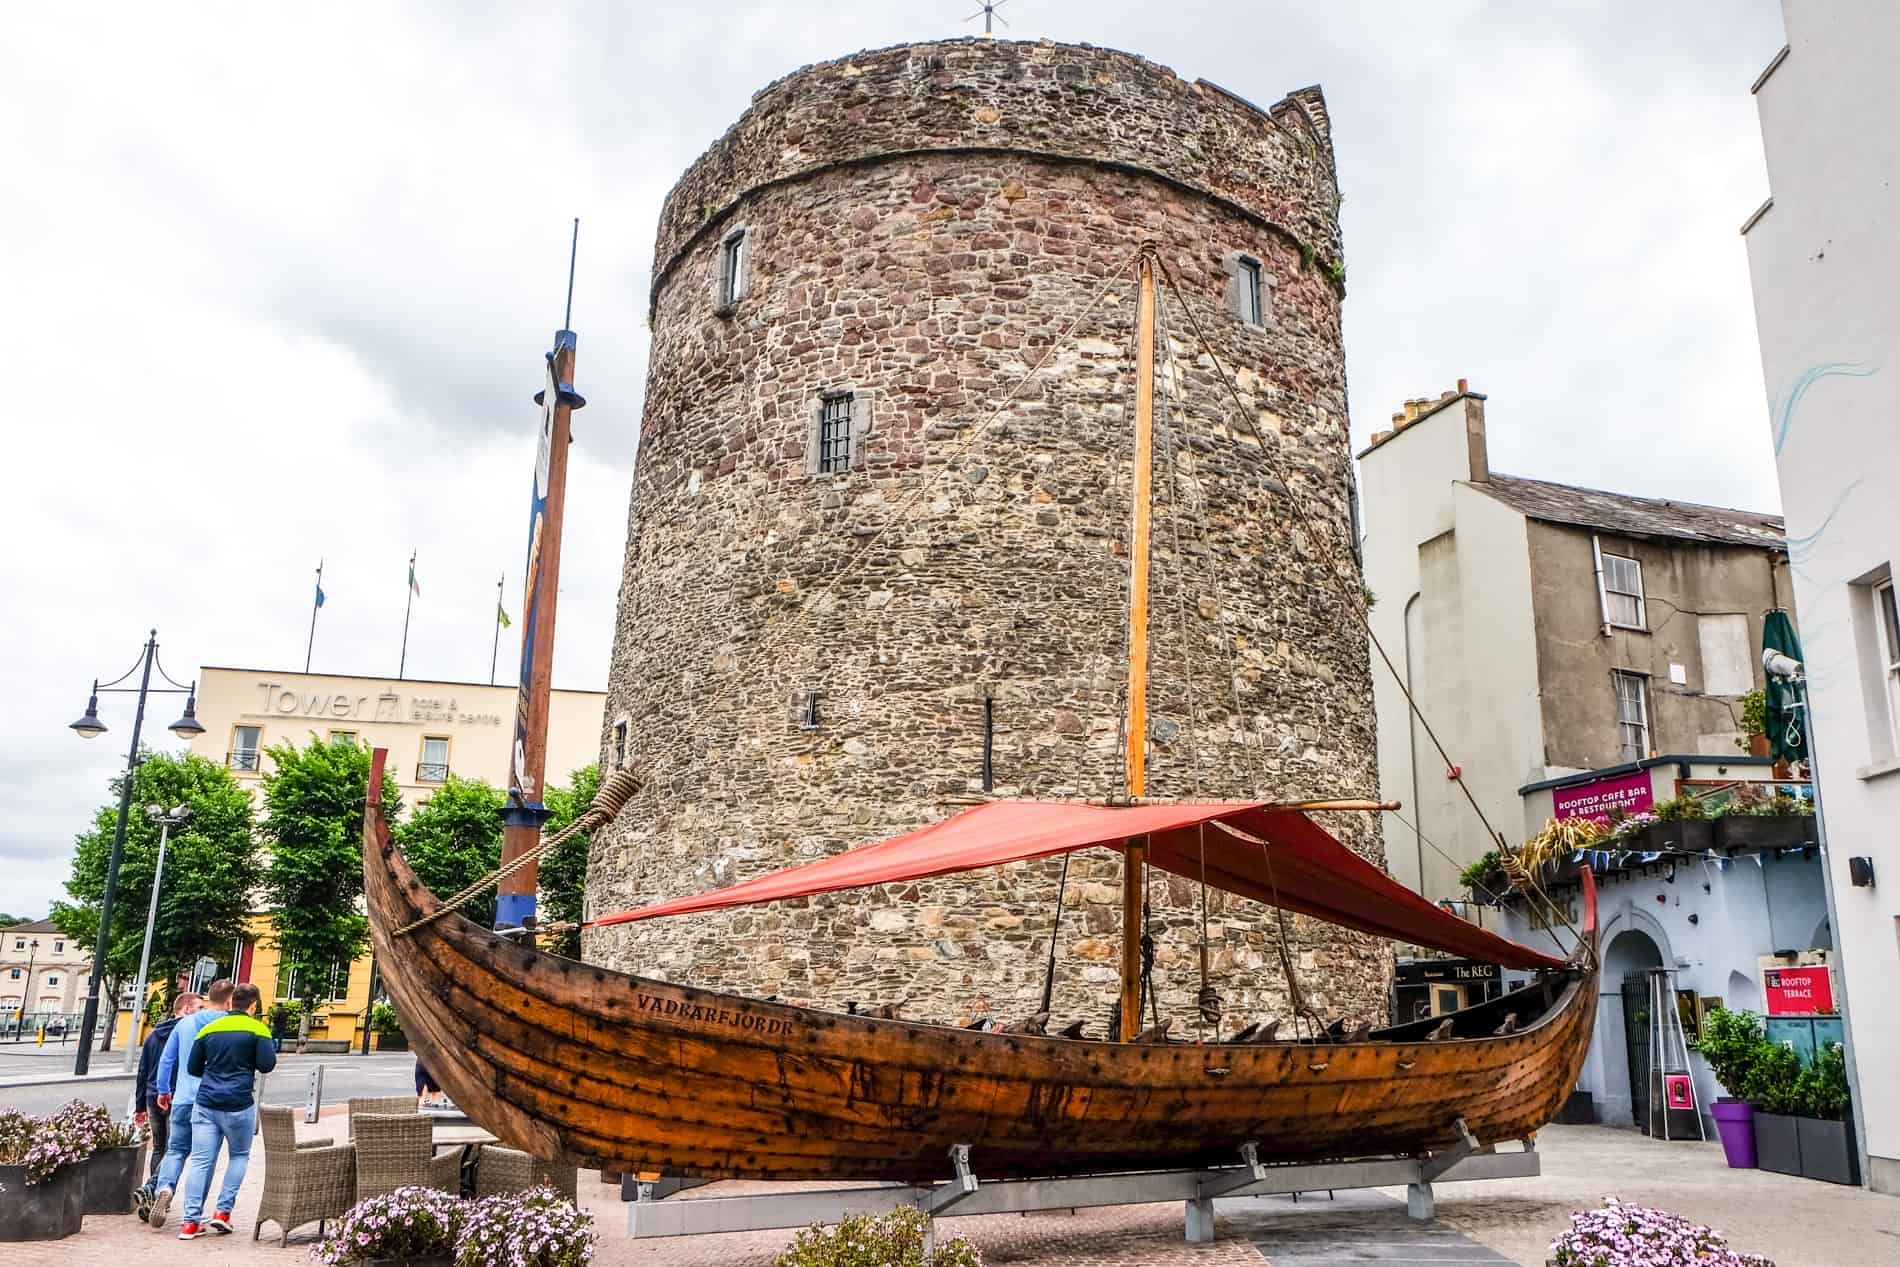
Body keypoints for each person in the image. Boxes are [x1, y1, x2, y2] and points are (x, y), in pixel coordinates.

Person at [177, 982, 276, 1239]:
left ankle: (189, 1223)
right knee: (239, 1156)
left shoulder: (209, 1029)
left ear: (231, 1003)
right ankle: (222, 1213)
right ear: (253, 1006)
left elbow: (193, 1068)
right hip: (239, 1104)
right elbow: (267, 1065)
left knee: (200, 1160)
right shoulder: (258, 1029)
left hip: (206, 1103)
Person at [148, 977, 232, 1232]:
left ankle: (164, 1188)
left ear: (208, 998)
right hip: (209, 1101)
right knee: (203, 1159)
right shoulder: (229, 1024)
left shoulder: (184, 1023)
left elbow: (166, 1060)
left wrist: (163, 1090)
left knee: (175, 1150)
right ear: (229, 1000)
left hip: (182, 1098)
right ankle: (194, 1216)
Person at [133, 992, 202, 1219]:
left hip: (153, 1095)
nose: (202, 1012)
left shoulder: (153, 1035)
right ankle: (152, 1188)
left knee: (161, 1147)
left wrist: (140, 1105)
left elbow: (142, 1071)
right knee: (177, 1149)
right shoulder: (186, 1033)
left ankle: (152, 1198)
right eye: (199, 1008)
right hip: (175, 1095)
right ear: (187, 1009)